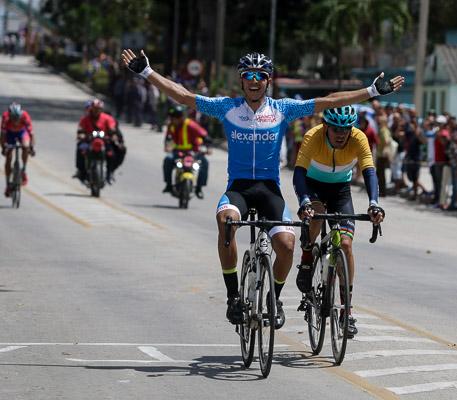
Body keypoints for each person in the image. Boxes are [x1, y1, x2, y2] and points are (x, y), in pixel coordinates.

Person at [122, 49, 404, 328]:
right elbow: (183, 96)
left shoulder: (283, 109)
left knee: (287, 244)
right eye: (248, 76)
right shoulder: (227, 107)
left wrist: (371, 91)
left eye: (261, 76)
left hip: (269, 188)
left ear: (269, 80)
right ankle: (233, 297)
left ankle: (275, 300)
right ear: (241, 80)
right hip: (239, 188)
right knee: (226, 222)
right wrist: (147, 72)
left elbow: (328, 101)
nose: (254, 81)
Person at [293, 106, 385, 337]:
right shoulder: (313, 136)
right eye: (335, 128)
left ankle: (347, 311)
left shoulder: (358, 138)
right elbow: (298, 172)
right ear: (326, 126)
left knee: (345, 244)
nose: (341, 133)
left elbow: (369, 171)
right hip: (313, 185)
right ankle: (306, 258)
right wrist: (304, 201)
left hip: (341, 190)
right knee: (317, 213)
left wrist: (374, 203)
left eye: (346, 128)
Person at [162, 105, 211, 198]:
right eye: (172, 118)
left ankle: (199, 188)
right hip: (178, 153)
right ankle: (168, 185)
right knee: (168, 159)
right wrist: (167, 147)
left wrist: (208, 147)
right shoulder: (171, 126)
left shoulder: (190, 124)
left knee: (205, 163)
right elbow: (168, 139)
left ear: (181, 117)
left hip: (194, 153)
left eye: (176, 118)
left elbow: (204, 135)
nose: (174, 120)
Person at [75, 99, 120, 184]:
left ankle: (110, 173)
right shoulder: (85, 118)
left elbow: (112, 128)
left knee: (111, 153)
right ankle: (82, 173)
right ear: (91, 109)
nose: (96, 111)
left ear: (101, 109)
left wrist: (113, 135)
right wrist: (80, 135)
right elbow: (80, 129)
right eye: (94, 109)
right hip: (89, 142)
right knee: (81, 149)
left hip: (103, 142)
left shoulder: (107, 118)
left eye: (98, 109)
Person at [1, 103, 35, 197]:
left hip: (22, 133)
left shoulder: (25, 116)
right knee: (9, 156)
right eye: (14, 118)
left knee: (25, 146)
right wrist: (4, 148)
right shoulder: (5, 117)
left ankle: (23, 170)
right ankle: (8, 184)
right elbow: (3, 135)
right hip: (10, 134)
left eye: (17, 118)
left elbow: (31, 134)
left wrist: (31, 148)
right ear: (10, 116)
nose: (16, 121)